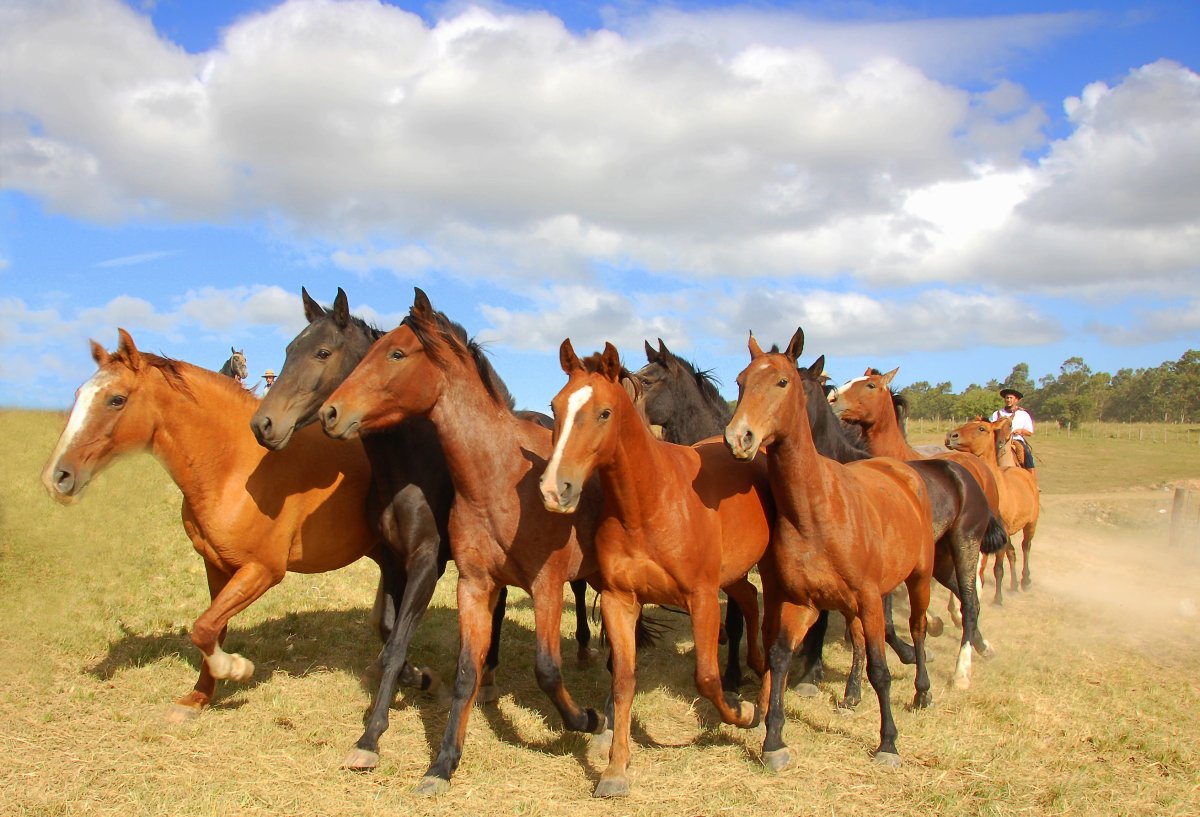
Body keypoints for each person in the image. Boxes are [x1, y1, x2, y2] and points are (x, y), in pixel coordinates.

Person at [991, 387, 1036, 479]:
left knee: (1027, 454)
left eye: (1011, 398)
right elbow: (990, 427)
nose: (1008, 400)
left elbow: (1030, 432)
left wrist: (1020, 431)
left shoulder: (1023, 414)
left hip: (1016, 440)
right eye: (1007, 398)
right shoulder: (997, 414)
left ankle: (1032, 480)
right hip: (999, 441)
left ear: (1016, 400)